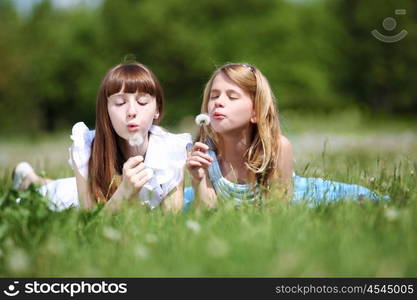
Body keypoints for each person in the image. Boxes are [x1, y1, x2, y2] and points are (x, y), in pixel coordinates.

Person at [184, 63, 386, 209]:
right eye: (214, 95)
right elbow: (207, 212)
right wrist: (199, 180)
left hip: (296, 195)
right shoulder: (204, 151)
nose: (219, 102)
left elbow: (277, 211)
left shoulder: (277, 147)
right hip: (230, 204)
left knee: (366, 200)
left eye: (232, 96)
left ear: (255, 112)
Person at [12, 62, 191, 212]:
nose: (131, 112)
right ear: (106, 110)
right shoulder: (87, 146)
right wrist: (124, 192)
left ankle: (31, 178)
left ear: (157, 109)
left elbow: (171, 221)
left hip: (77, 188)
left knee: (69, 185)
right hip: (66, 200)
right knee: (52, 193)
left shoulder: (172, 150)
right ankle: (31, 181)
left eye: (142, 102)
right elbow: (89, 224)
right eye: (120, 103)